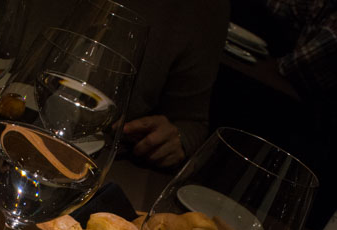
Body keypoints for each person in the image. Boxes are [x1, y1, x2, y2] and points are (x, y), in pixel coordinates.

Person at [22, 0, 231, 170]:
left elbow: (192, 123)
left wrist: (177, 138)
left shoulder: (203, 9)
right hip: (4, 124)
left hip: (95, 164)